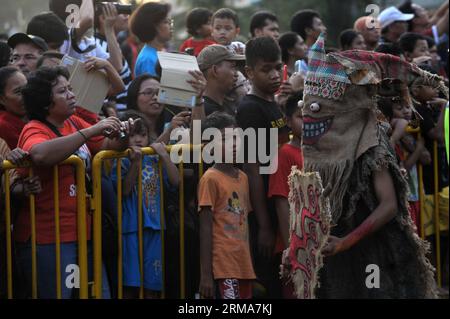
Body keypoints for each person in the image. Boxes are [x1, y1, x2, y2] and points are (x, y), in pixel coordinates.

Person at [293, 32, 438, 298]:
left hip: (373, 252)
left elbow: (388, 205)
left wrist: (346, 242)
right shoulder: (321, 147)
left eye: (321, 105)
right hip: (335, 254)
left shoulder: (371, 141)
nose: (312, 113)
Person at [15, 66, 134, 298]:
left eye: (70, 88)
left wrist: (124, 134)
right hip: (50, 237)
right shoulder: (35, 128)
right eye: (63, 91)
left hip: (83, 232)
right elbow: (39, 154)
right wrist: (90, 132)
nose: (71, 95)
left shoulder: (74, 122)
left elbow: (106, 147)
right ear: (45, 102)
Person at [236, 36, 291, 298]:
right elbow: (252, 167)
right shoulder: (249, 109)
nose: (273, 75)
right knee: (271, 285)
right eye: (265, 69)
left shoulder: (273, 104)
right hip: (266, 210)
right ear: (249, 72)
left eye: (277, 67)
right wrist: (265, 225)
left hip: (282, 203)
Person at [111, 110, 179, 299]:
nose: (139, 140)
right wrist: (135, 163)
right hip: (131, 228)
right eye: (133, 135)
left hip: (155, 226)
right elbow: (124, 190)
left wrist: (164, 156)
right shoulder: (119, 159)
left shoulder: (153, 156)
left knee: (153, 284)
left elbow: (176, 182)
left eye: (142, 134)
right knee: (130, 285)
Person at [198, 112, 256, 299]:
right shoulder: (210, 179)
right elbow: (205, 229)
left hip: (243, 265)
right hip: (223, 265)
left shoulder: (243, 177)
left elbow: (244, 223)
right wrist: (206, 275)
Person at [94, 1, 131, 110]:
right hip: (113, 114)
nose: (126, 15)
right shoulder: (99, 44)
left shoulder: (111, 43)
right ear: (102, 18)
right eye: (119, 11)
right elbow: (117, 68)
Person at [197, 45, 245, 116]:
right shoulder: (203, 111)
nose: (237, 74)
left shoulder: (226, 106)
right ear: (215, 70)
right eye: (232, 67)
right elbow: (196, 127)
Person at [130, 2, 172, 77]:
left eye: (170, 22)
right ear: (154, 27)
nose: (170, 26)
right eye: (166, 22)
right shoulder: (148, 60)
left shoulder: (159, 52)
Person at [290, 10, 327, 76]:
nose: (325, 28)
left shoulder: (322, 55)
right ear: (308, 30)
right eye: (319, 24)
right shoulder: (300, 63)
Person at [0, 67, 28, 150]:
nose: (27, 95)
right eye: (18, 91)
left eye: (27, 88)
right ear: (2, 99)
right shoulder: (3, 126)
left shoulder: (37, 112)